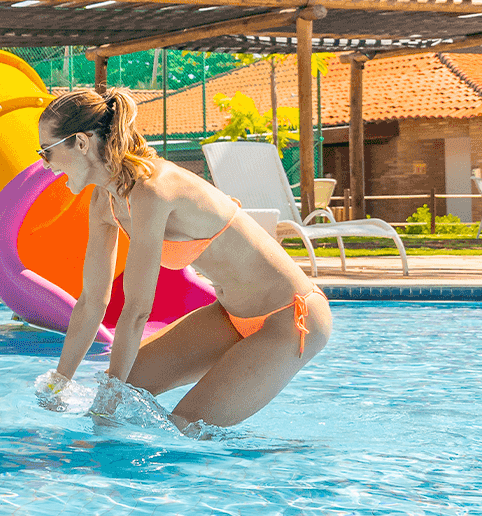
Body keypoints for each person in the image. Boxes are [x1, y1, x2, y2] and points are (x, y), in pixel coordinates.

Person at [37, 86, 333, 430]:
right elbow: (91, 302)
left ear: (81, 143)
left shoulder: (151, 189)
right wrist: (61, 382)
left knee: (186, 428)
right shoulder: (104, 202)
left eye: (47, 151)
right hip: (229, 316)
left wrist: (108, 403)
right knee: (122, 385)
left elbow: (136, 311)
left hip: (290, 317)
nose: (45, 164)